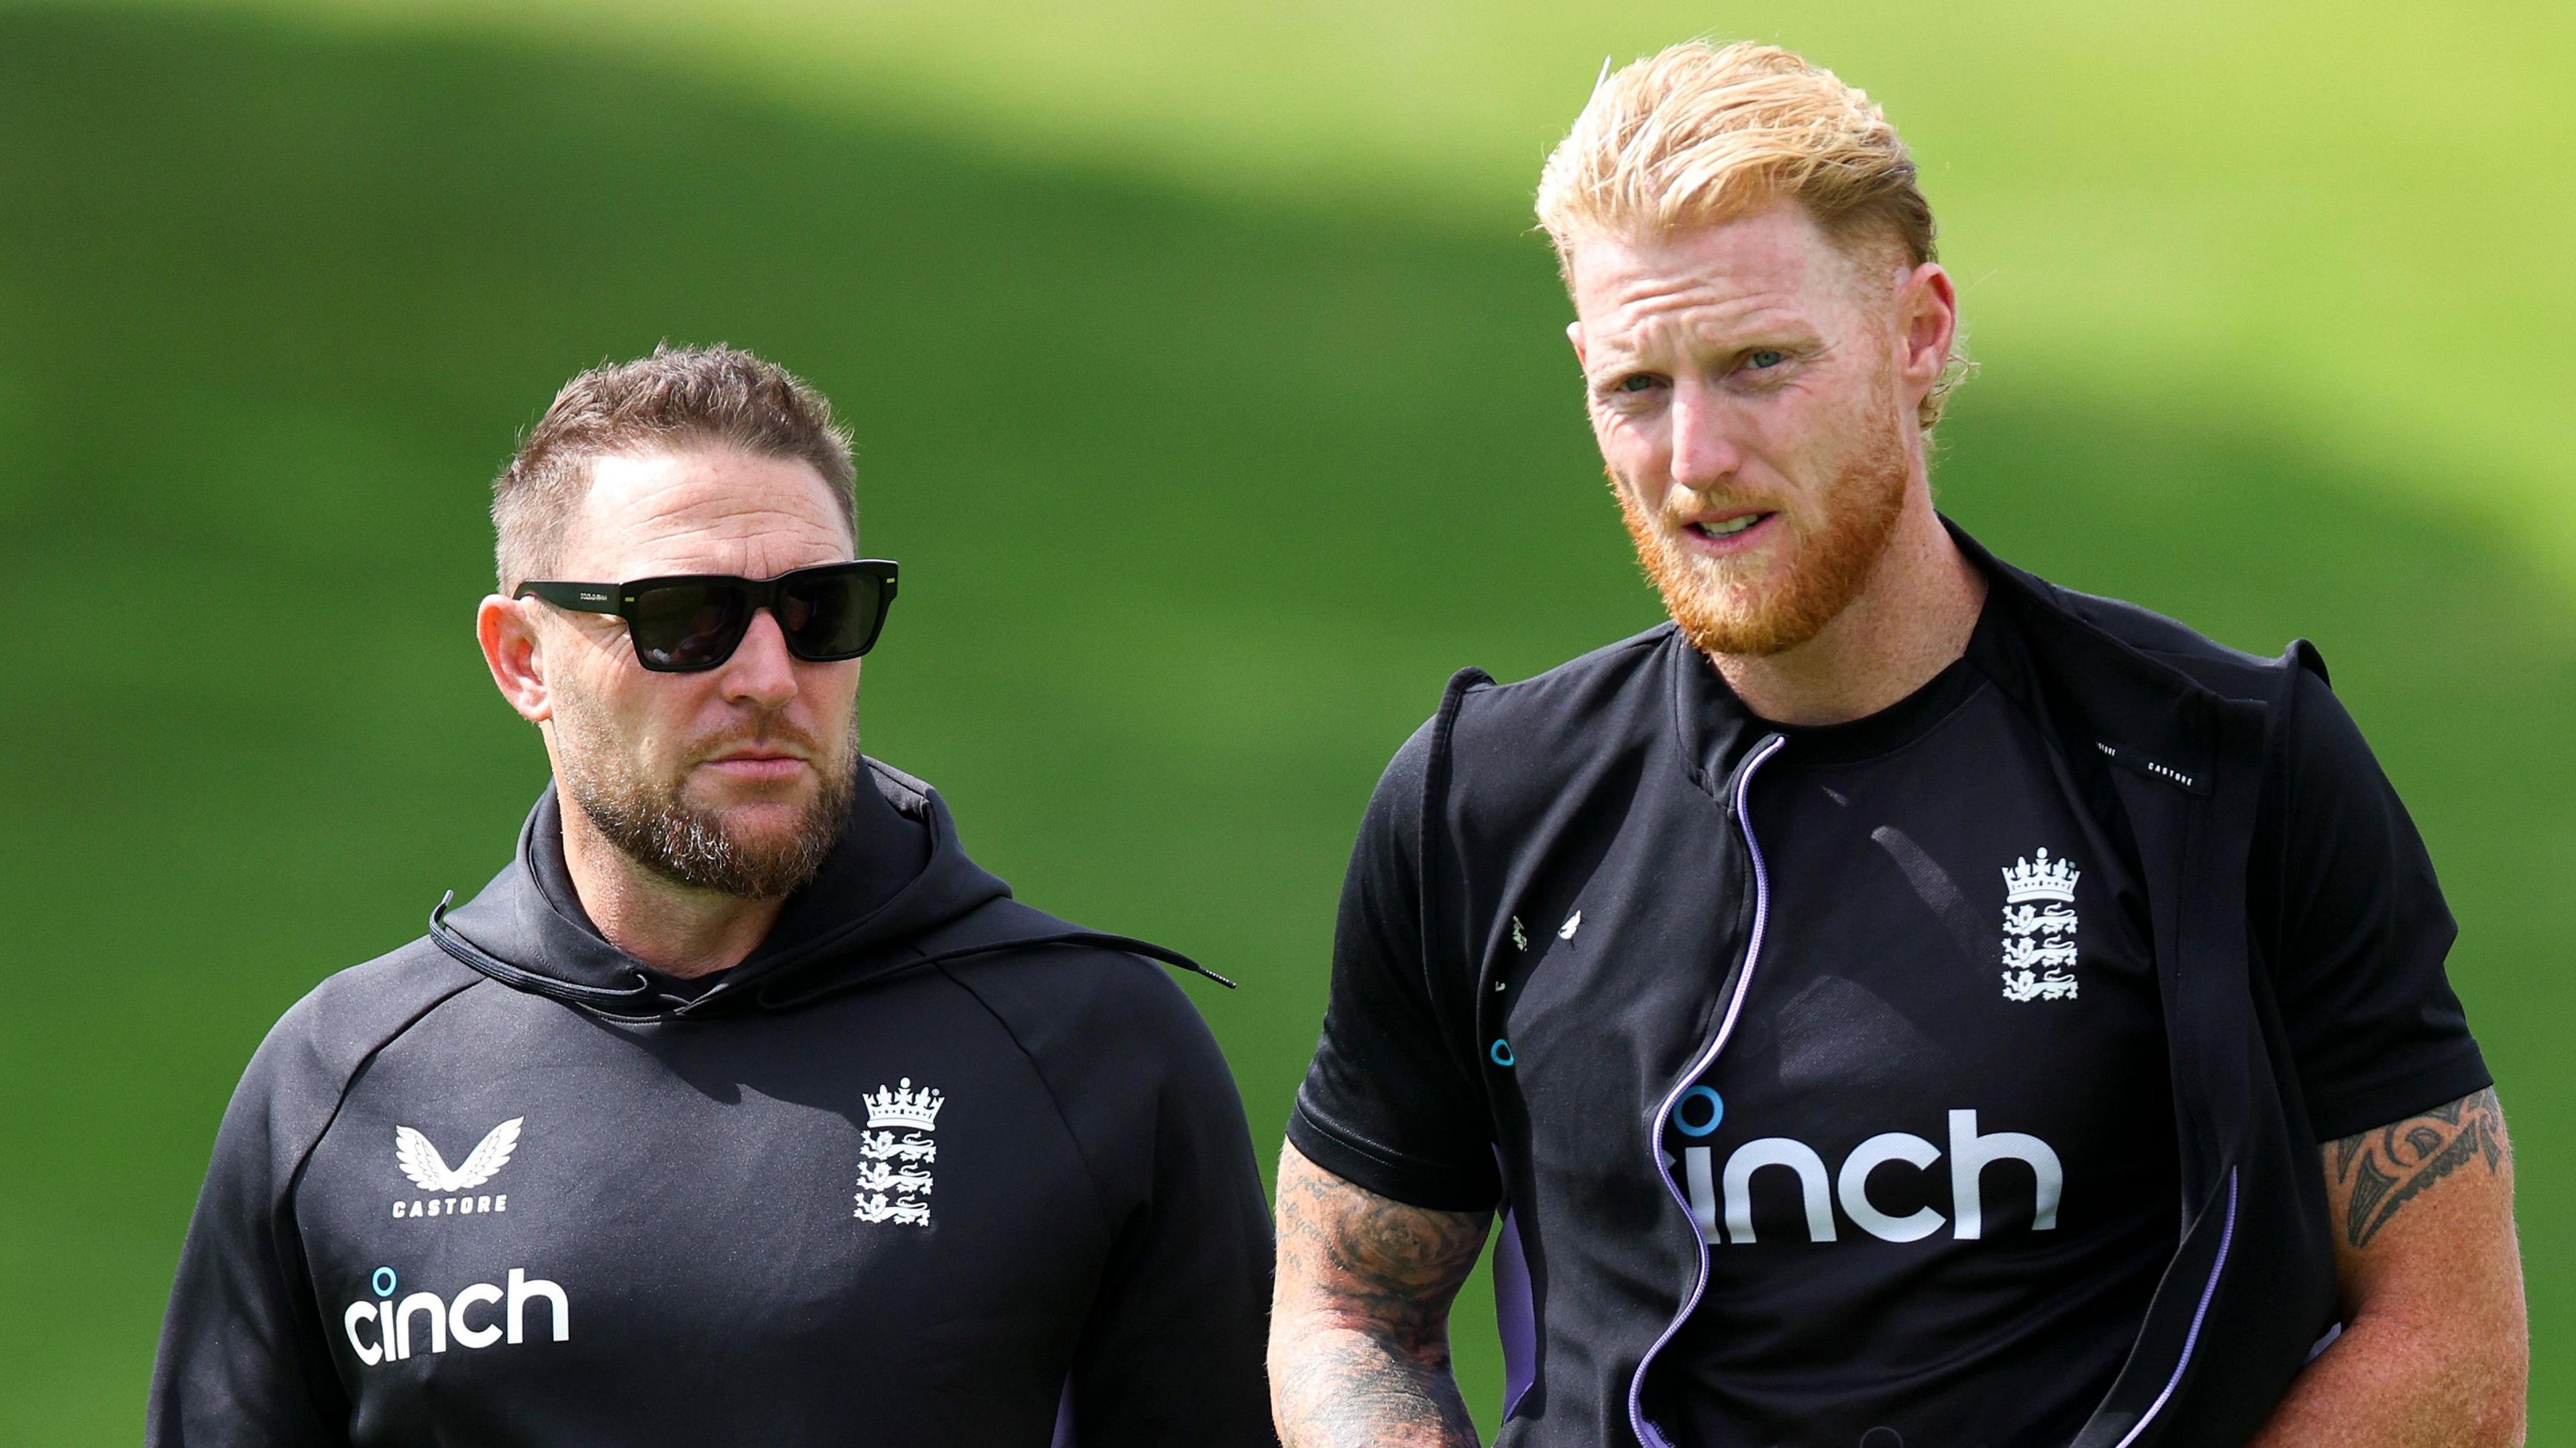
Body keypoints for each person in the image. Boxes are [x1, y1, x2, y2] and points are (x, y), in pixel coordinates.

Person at [1270, 42, 2524, 1448]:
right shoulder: (1481, 806)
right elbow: (1346, 1306)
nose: (1697, 459)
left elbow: (2450, 1338)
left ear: (1918, 332)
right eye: (1637, 388)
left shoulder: (2222, 769)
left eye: (1760, 365)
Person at [148, 345, 1277, 1446]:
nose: (770, 679)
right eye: (687, 619)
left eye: (819, 610)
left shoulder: (1093, 1050)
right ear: (522, 661)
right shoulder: (340, 1081)